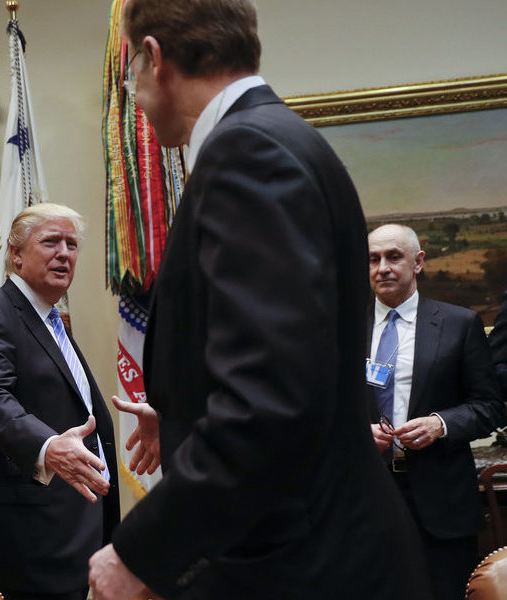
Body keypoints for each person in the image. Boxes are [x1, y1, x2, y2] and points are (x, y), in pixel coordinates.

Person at [89, 1, 430, 598]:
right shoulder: (280, 138)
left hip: (302, 563)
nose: (134, 92)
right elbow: (295, 362)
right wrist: (181, 416)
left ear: (156, 57)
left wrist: (141, 552)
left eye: (131, 71)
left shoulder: (246, 153)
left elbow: (270, 402)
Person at [0, 203, 120, 600]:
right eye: (51, 242)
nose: (64, 253)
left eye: (72, 244)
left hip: (68, 534)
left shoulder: (50, 320)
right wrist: (46, 447)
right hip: (21, 541)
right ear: (16, 255)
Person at [366, 223, 503, 599]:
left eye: (394, 257)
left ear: (418, 262)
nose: (383, 268)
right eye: (374, 259)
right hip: (366, 499)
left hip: (442, 501)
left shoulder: (459, 324)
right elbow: (325, 409)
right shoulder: (343, 328)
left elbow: (490, 406)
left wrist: (441, 424)